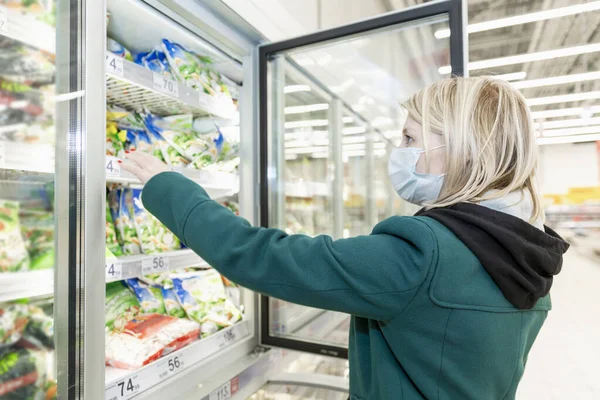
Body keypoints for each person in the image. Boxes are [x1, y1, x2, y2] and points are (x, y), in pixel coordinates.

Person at [122, 76, 569, 400]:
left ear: (460, 150)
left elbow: (262, 257)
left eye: (410, 137)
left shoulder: (425, 254)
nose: (401, 149)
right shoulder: (526, 252)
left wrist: (169, 185)